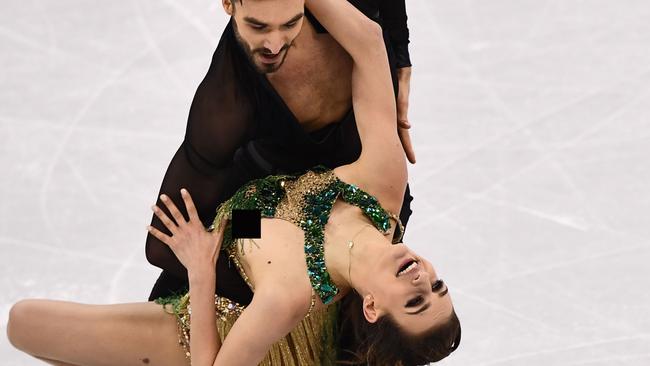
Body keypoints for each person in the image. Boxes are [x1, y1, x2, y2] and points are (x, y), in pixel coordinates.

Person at [6, 0, 461, 365]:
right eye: (438, 288)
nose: (424, 281)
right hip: (249, 228)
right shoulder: (383, 185)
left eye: (415, 302)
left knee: (24, 323)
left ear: (372, 307)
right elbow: (368, 43)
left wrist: (202, 274)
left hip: (219, 329)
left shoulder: (286, 294)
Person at [146, 0, 416, 307]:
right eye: (257, 26)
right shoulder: (226, 104)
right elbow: (163, 244)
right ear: (228, 4)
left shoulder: (355, 14)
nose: (274, 45)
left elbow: (382, 18)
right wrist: (291, 299)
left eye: (290, 24)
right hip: (264, 214)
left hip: (368, 208)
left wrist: (401, 61)